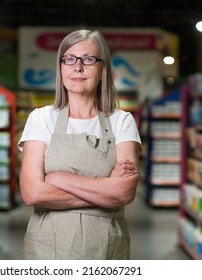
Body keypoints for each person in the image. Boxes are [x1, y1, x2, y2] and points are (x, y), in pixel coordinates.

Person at [17, 29, 142, 260]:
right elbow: (32, 192)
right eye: (69, 59)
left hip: (105, 248)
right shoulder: (42, 118)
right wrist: (105, 192)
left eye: (88, 59)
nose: (78, 67)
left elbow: (124, 192)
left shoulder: (121, 121)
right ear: (61, 67)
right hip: (48, 247)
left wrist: (58, 179)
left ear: (103, 69)